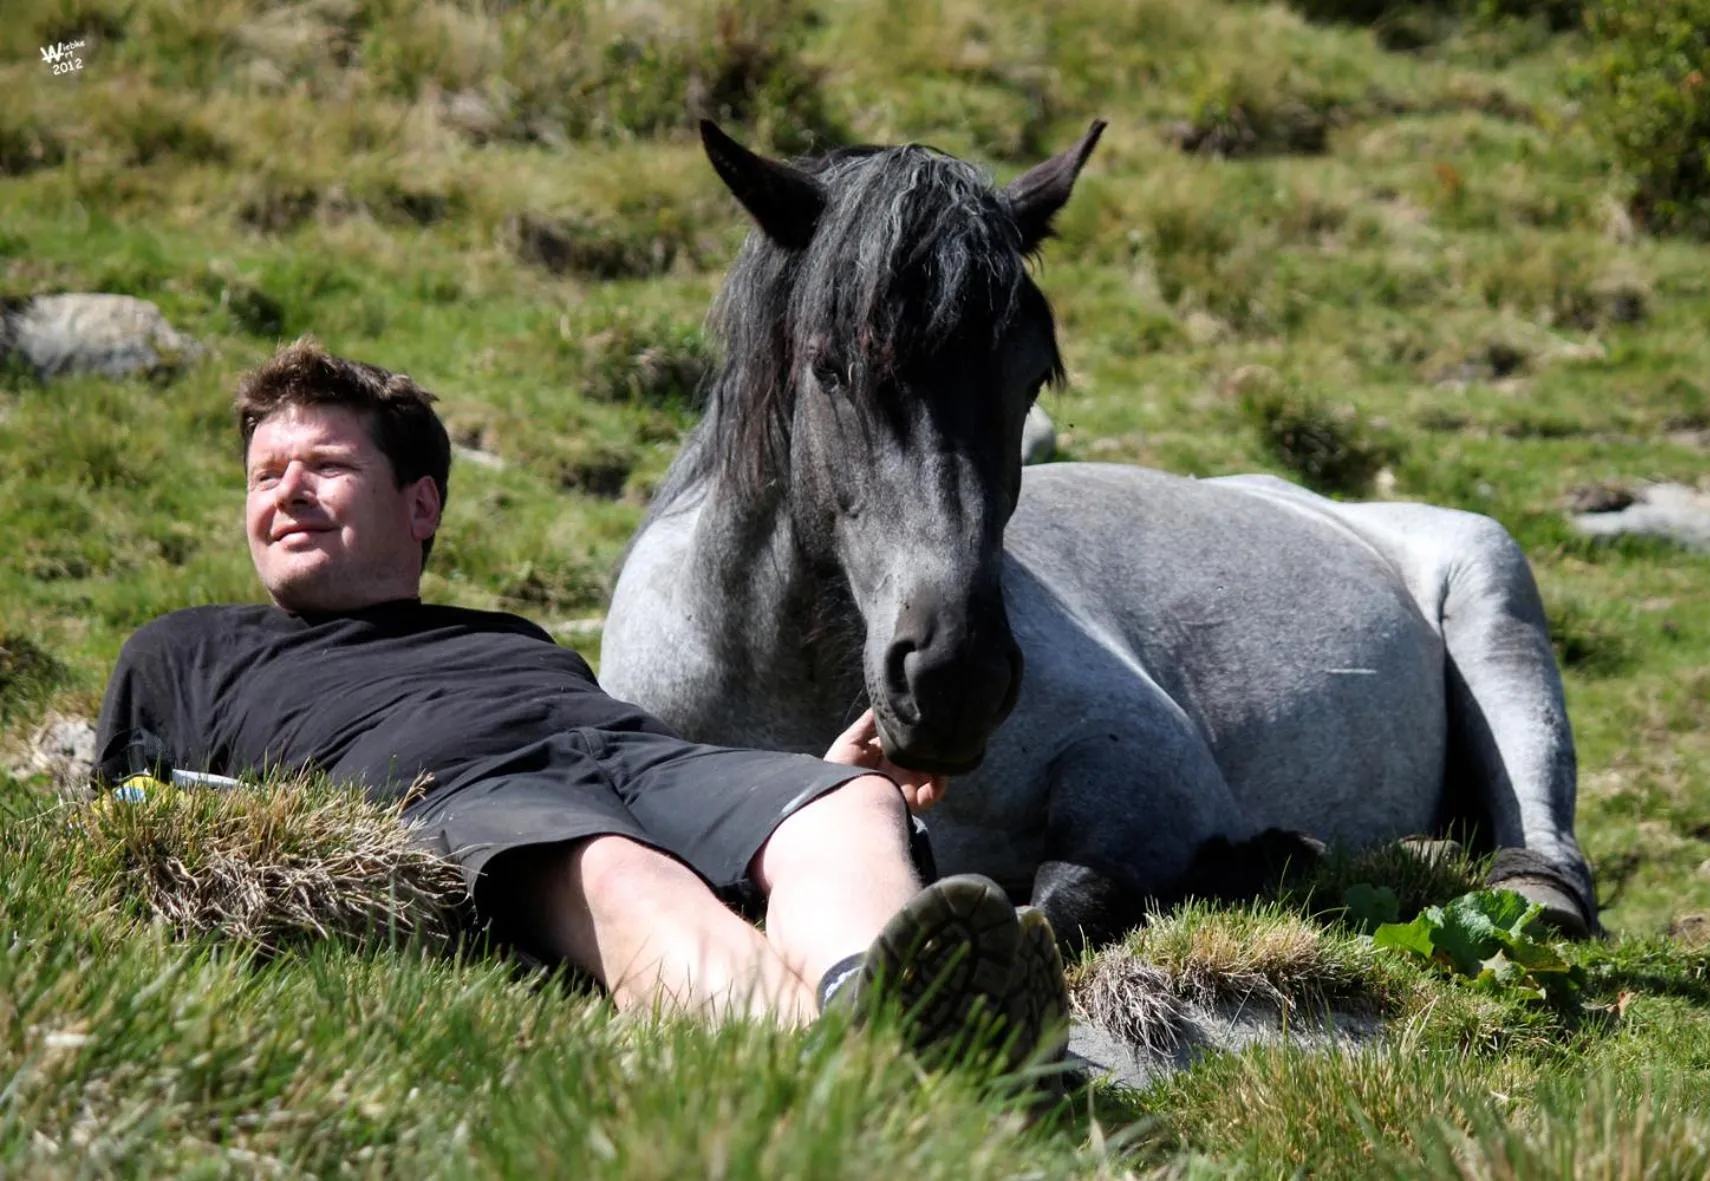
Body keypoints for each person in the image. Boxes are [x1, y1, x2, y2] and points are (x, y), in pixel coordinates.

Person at [96, 338, 1067, 1064]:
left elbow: (639, 772)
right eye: (268, 474)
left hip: (633, 758)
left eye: (327, 467)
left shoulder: (501, 632)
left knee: (848, 801)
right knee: (614, 869)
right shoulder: (185, 648)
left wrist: (817, 775)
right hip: (456, 794)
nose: (289, 492)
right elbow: (130, 823)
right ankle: (849, 1066)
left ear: (420, 503)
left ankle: (875, 997)